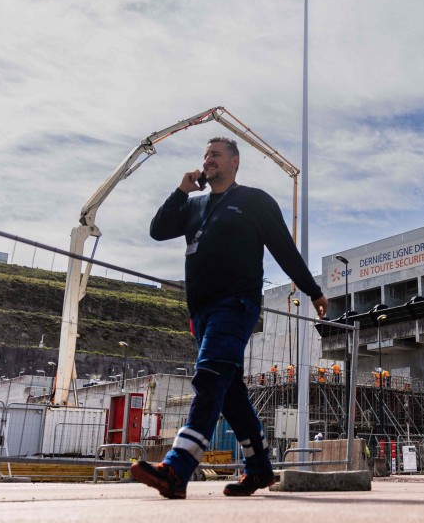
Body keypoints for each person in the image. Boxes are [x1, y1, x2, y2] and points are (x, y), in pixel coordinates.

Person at [131, 136, 327, 500]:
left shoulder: (254, 201)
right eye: (205, 155)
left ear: (235, 162)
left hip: (236, 304)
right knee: (231, 392)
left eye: (216, 155)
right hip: (202, 312)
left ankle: (178, 467)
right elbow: (157, 231)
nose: (208, 161)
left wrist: (312, 290)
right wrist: (180, 190)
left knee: (208, 377)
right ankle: (260, 469)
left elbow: (283, 247)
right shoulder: (194, 205)